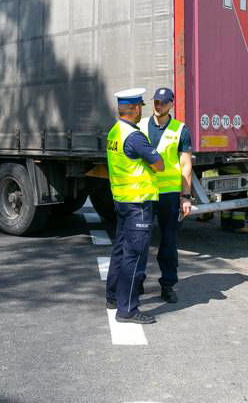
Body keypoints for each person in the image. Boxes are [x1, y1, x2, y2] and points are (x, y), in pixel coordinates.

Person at [105, 87, 164, 324]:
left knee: (120, 250)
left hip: (122, 200)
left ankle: (113, 297)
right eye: (141, 107)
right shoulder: (135, 137)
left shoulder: (115, 131)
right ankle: (127, 309)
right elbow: (158, 164)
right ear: (136, 109)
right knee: (135, 256)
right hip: (138, 203)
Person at [137, 87, 192, 303]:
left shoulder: (180, 129)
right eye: (156, 102)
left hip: (169, 195)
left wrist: (185, 196)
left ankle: (168, 285)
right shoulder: (141, 126)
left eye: (163, 102)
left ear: (171, 104)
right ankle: (137, 282)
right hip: (145, 192)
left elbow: (185, 164)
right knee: (140, 240)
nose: (158, 106)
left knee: (169, 241)